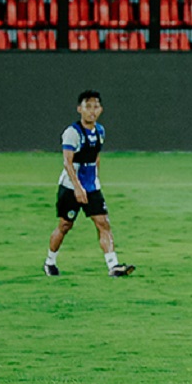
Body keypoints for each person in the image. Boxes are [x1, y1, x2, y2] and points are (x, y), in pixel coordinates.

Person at [43, 90, 134, 278]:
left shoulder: (100, 131)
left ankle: (113, 266)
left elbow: (96, 157)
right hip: (70, 186)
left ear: (100, 109)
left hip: (91, 186)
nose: (92, 111)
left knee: (103, 223)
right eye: (88, 107)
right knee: (65, 225)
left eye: (96, 107)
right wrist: (77, 187)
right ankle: (50, 261)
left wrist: (95, 182)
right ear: (79, 109)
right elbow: (67, 162)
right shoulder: (72, 133)